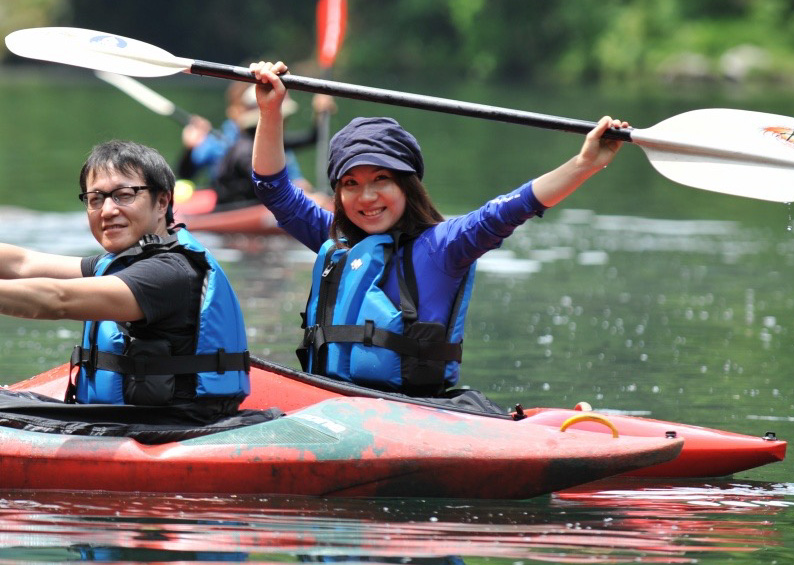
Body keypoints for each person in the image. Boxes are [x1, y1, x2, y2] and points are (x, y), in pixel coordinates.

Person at [246, 60, 629, 408]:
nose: (367, 197)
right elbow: (272, 188)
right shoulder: (335, 240)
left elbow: (510, 209)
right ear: (340, 194)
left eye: (382, 180)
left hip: (418, 413)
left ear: (407, 187)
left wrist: (584, 165)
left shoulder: (443, 247)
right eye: (351, 183)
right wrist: (271, 110)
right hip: (332, 403)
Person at [0, 138, 251, 419]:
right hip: (127, 419)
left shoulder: (168, 273)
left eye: (124, 195)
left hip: (171, 428)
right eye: (95, 199)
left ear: (163, 200)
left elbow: (57, 299)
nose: (107, 209)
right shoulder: (125, 261)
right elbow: (24, 262)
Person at [179, 78, 334, 206]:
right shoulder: (240, 149)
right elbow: (270, 184)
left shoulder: (270, 141)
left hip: (254, 200)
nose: (282, 121)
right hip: (234, 206)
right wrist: (190, 147)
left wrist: (320, 114)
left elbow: (312, 138)